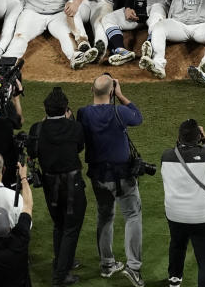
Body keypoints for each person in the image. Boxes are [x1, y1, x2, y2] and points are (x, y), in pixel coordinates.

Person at [76, 73, 145, 287]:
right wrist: (122, 95)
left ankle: (107, 264)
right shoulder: (120, 111)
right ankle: (133, 268)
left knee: (105, 217)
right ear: (112, 92)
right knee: (132, 215)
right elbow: (138, 117)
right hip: (124, 176)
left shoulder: (83, 114)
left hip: (99, 177)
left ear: (91, 90)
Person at [160, 119, 205, 287]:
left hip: (175, 215)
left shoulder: (166, 156)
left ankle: (174, 280)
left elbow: (178, 151)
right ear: (199, 136)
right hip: (203, 218)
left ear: (178, 138)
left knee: (177, 245)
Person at [27, 87, 87, 287]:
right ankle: (61, 276)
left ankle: (62, 261)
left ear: (45, 110)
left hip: (50, 185)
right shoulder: (75, 127)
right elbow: (79, 147)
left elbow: (32, 152)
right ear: (66, 109)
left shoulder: (37, 129)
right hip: (72, 185)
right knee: (71, 227)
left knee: (59, 224)